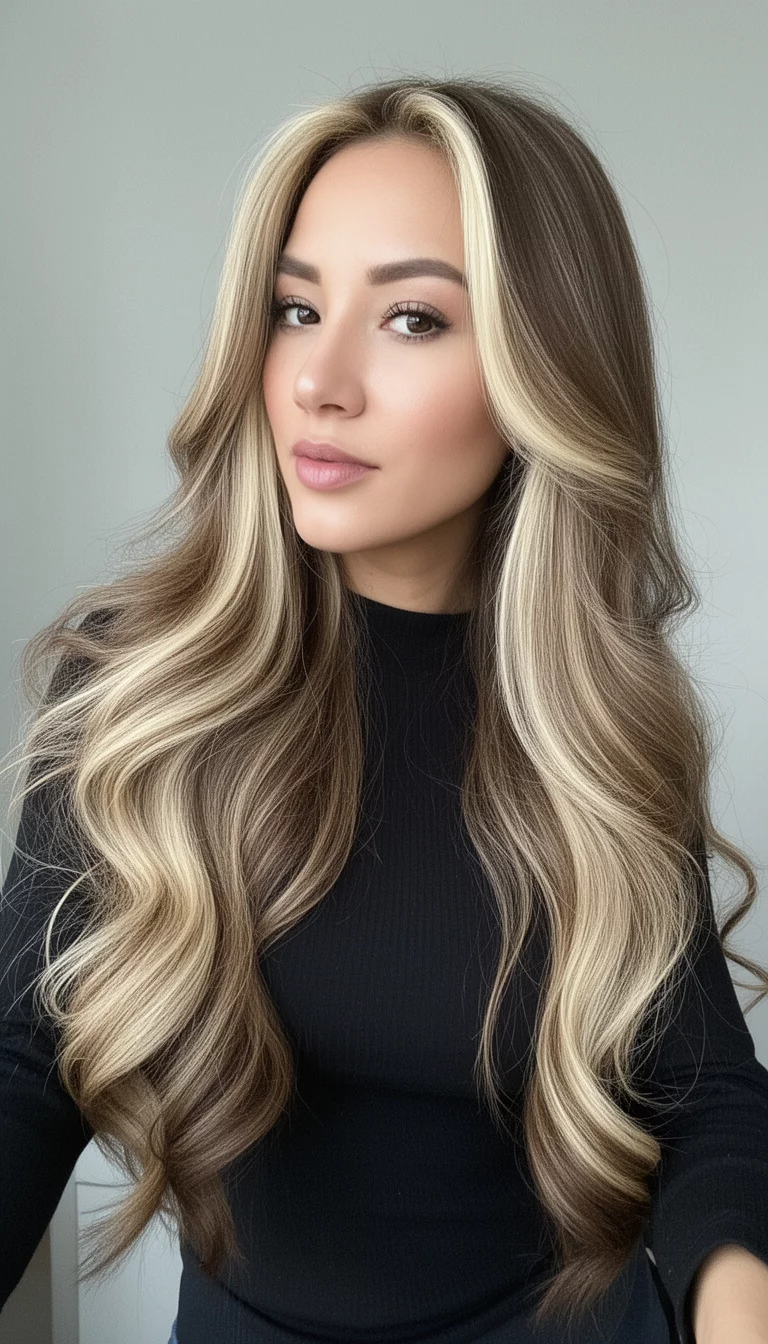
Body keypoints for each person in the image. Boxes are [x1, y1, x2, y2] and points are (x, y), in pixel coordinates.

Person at [2, 75, 767, 1344]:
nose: (318, 381)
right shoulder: (138, 685)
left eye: (412, 319)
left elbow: (702, 1093)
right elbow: (26, 1059)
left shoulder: (595, 715)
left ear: (545, 369)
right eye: (295, 309)